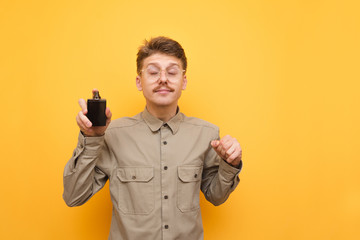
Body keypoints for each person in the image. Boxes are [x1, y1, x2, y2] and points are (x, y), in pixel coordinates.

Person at [63, 36, 243, 240]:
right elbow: (73, 197)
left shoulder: (207, 134)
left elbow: (216, 196)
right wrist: (92, 139)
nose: (163, 79)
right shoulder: (113, 135)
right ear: (139, 82)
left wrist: (231, 163)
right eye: (153, 72)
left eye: (172, 72)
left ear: (183, 81)